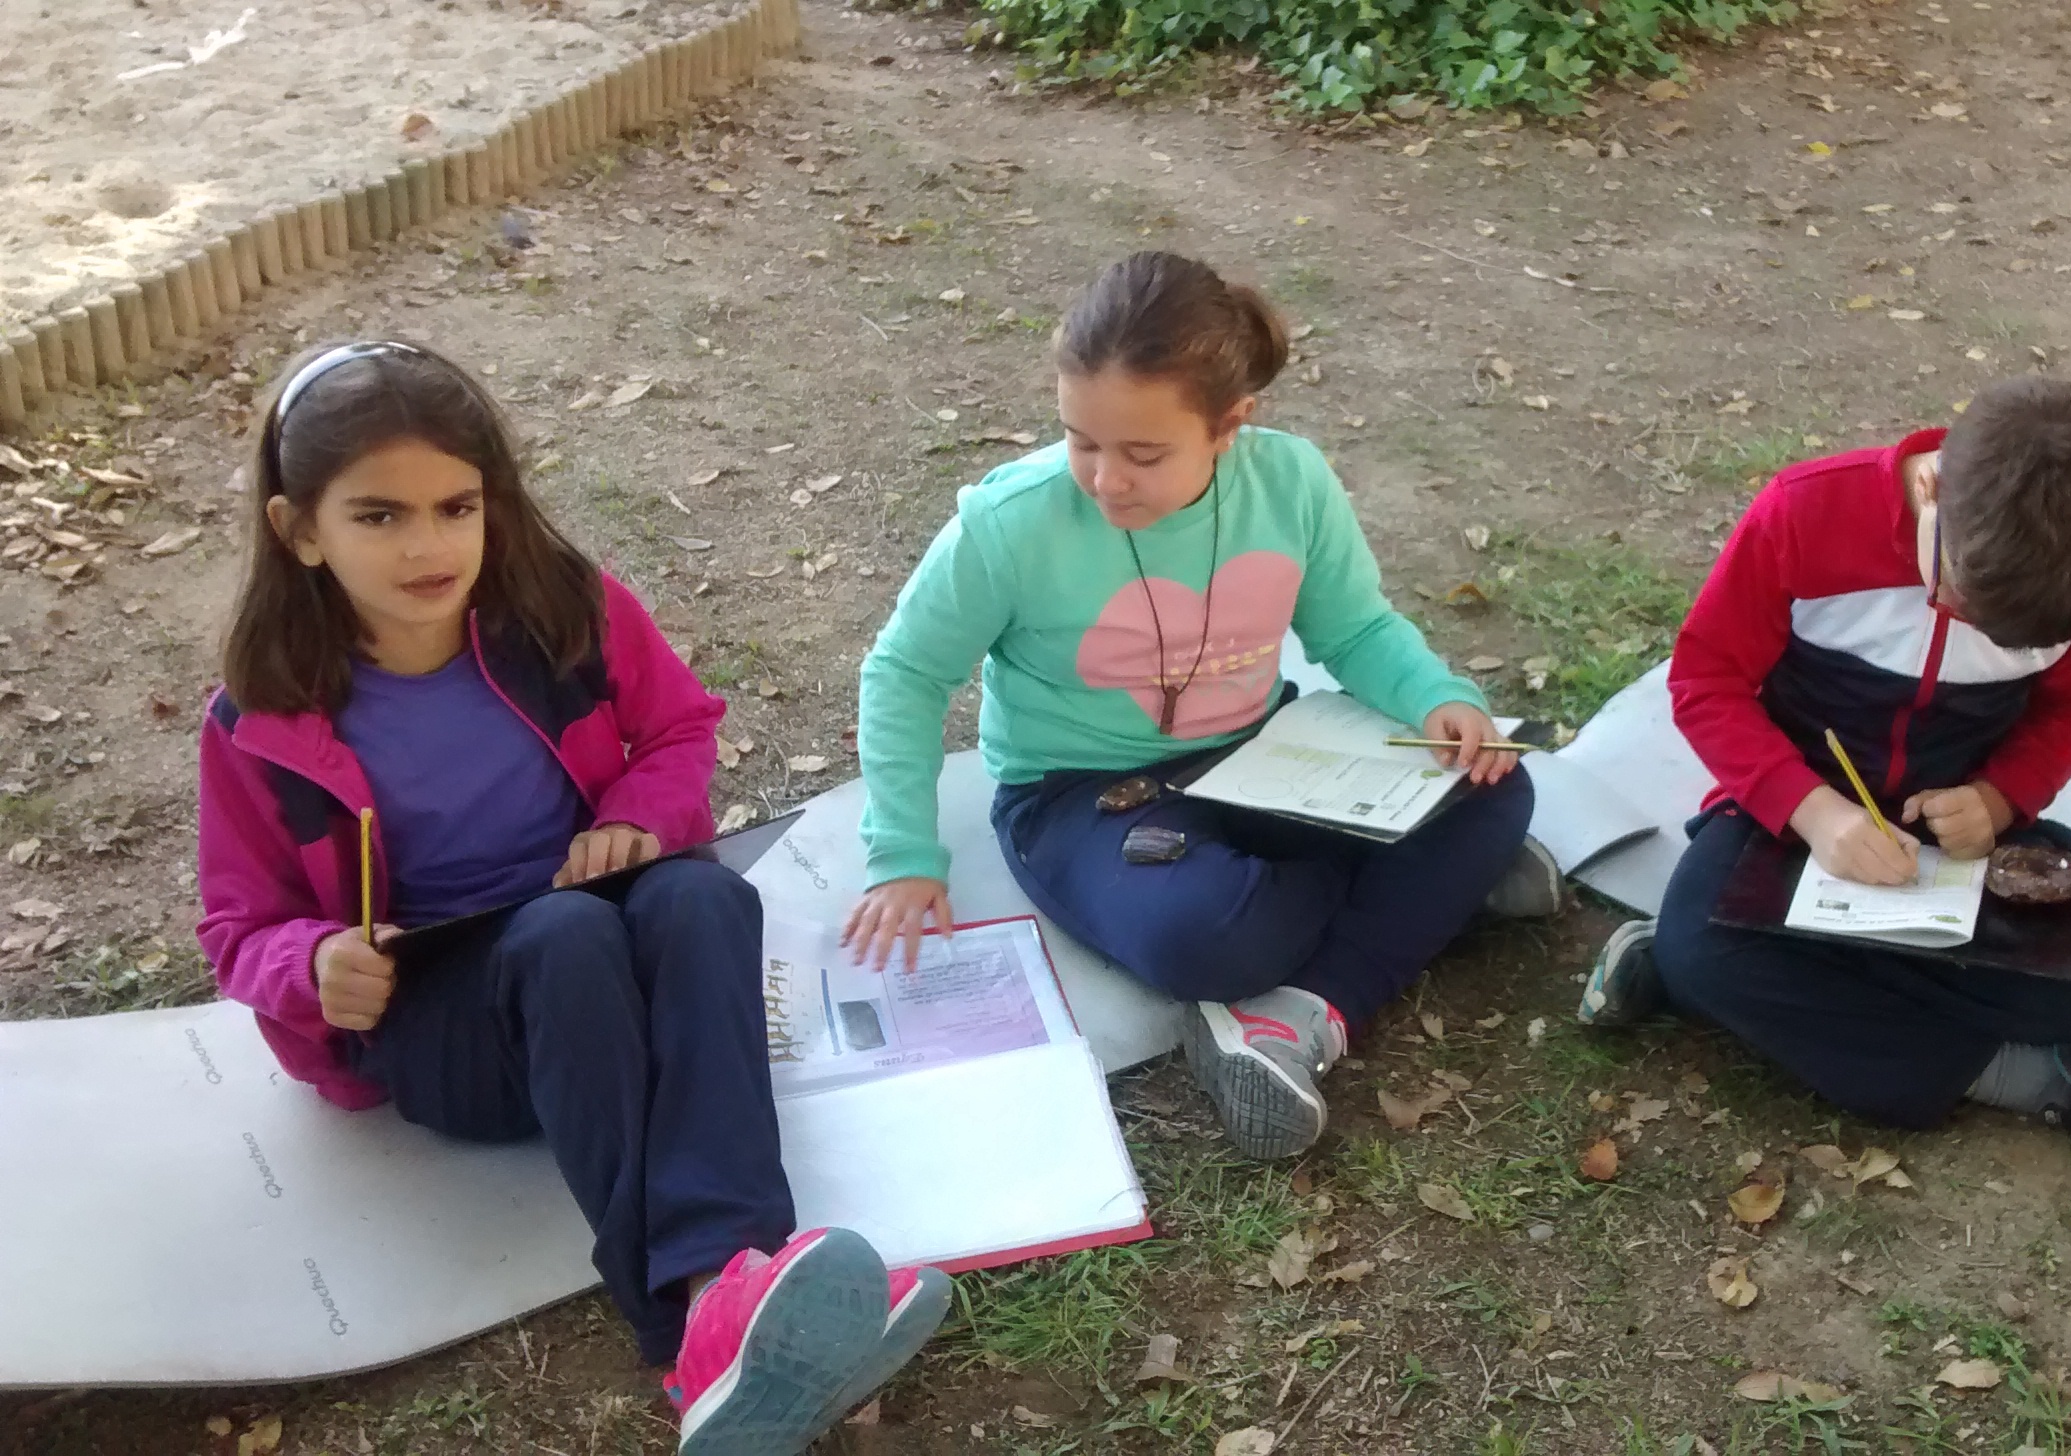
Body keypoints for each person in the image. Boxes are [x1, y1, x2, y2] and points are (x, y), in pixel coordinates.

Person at [195, 341, 946, 1455]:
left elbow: (681, 728)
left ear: (493, 502)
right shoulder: (262, 718)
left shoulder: (565, 612)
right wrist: (310, 964)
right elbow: (236, 925)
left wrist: (637, 817)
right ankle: (687, 1324)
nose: (428, 545)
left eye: (456, 506)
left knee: (701, 901)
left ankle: (731, 1298)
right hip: (445, 1017)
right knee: (563, 936)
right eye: (379, 515)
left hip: (600, 933)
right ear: (300, 529)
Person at [846, 252, 1557, 1161]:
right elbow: (904, 672)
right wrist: (903, 853)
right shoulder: (1011, 522)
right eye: (1080, 440)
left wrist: (1437, 697)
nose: (1106, 479)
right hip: (1081, 798)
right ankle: (1420, 891)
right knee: (1207, 940)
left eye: (1144, 454)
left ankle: (1306, 1007)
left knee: (1495, 784)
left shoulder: (1291, 481)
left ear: (1230, 426)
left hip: (1263, 754)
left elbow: (1355, 628)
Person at [1575, 378, 2071, 1182]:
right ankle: (2044, 1077)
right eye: (1960, 595)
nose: (1959, 621)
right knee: (1707, 949)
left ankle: (1713, 974)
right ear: (1932, 486)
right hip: (1796, 814)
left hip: (1962, 830)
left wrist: (1997, 799)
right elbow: (1706, 680)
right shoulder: (1803, 514)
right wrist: (1813, 812)